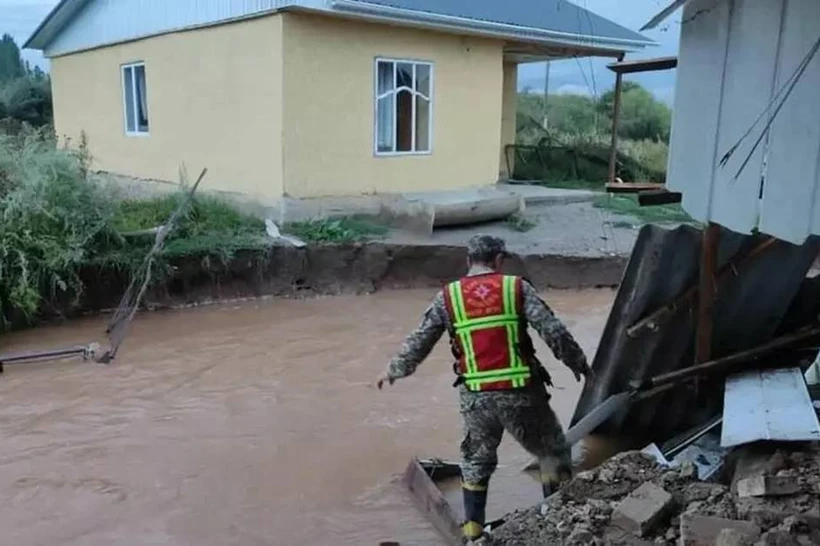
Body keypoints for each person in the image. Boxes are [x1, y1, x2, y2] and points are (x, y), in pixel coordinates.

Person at [375, 234, 594, 543]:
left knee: (476, 461)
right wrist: (579, 364)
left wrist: (395, 369)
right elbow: (553, 330)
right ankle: (556, 518)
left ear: (469, 261)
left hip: (475, 397)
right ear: (499, 260)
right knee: (552, 450)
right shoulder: (514, 288)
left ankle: (473, 530)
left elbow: (421, 339)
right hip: (521, 392)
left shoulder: (447, 297)